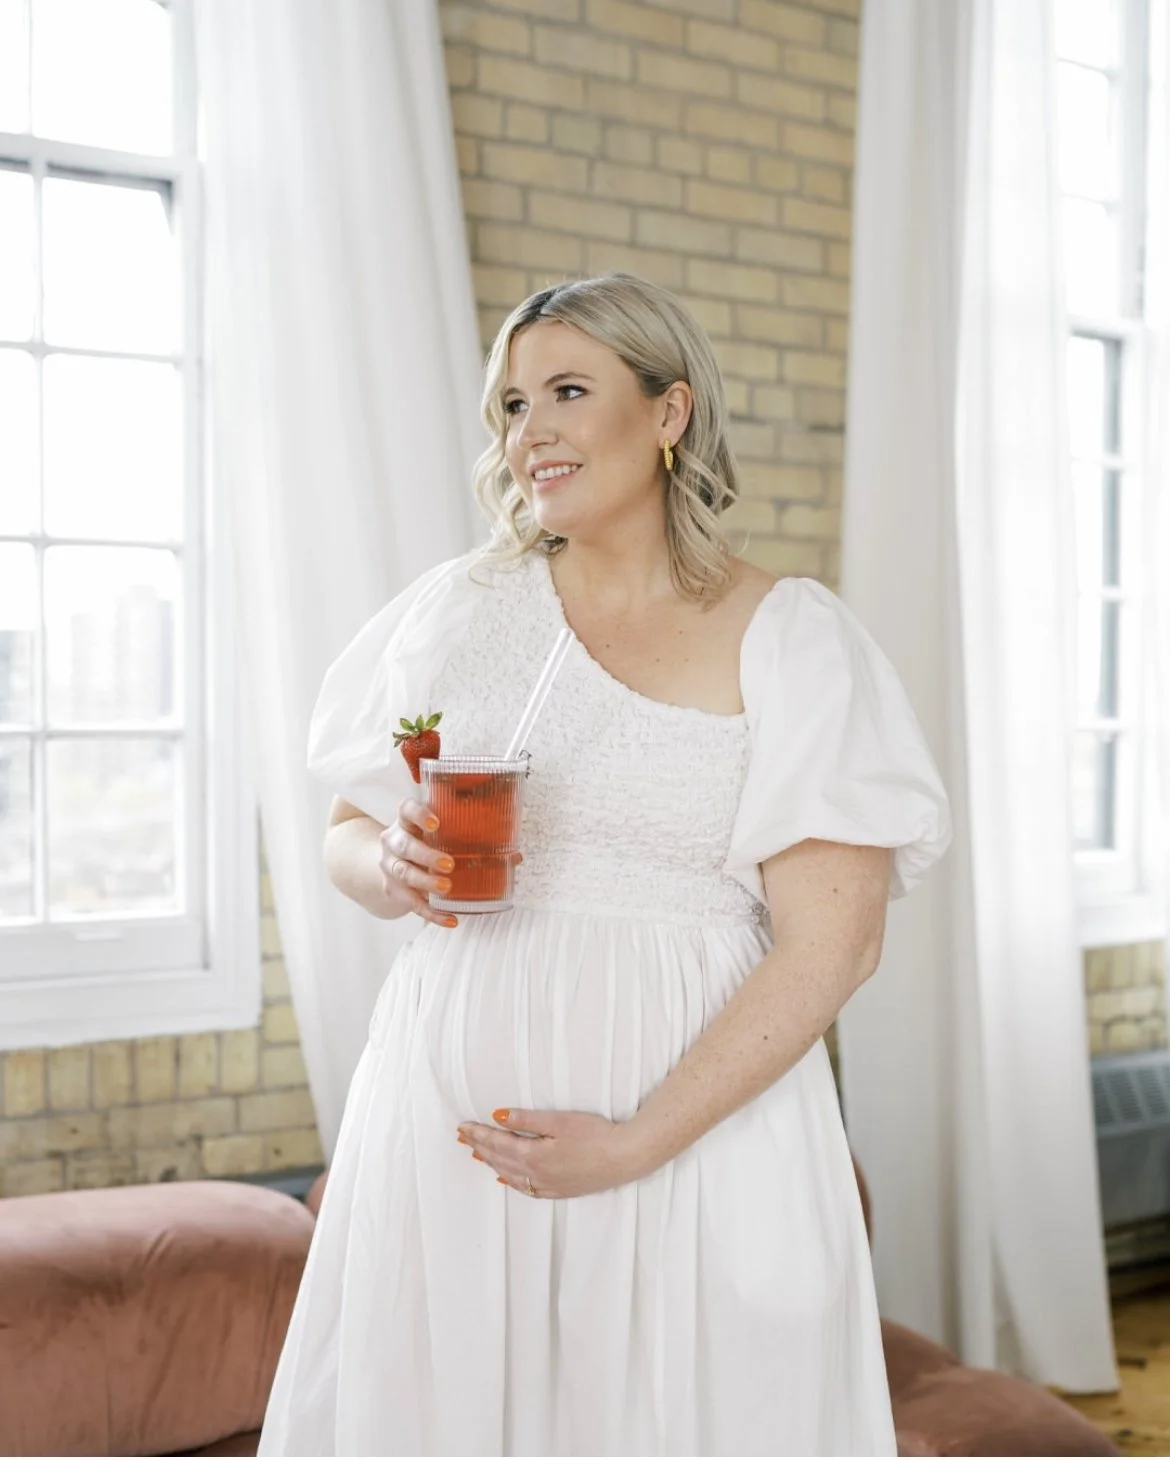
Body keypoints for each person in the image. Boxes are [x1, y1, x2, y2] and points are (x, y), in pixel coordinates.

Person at [258, 272, 951, 1457]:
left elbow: (836, 940)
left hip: (698, 1141)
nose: (532, 432)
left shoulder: (794, 640)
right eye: (514, 405)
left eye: (569, 391)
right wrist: (392, 862)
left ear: (670, 412)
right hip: (452, 1131)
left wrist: (633, 1140)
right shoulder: (457, 612)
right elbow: (344, 834)